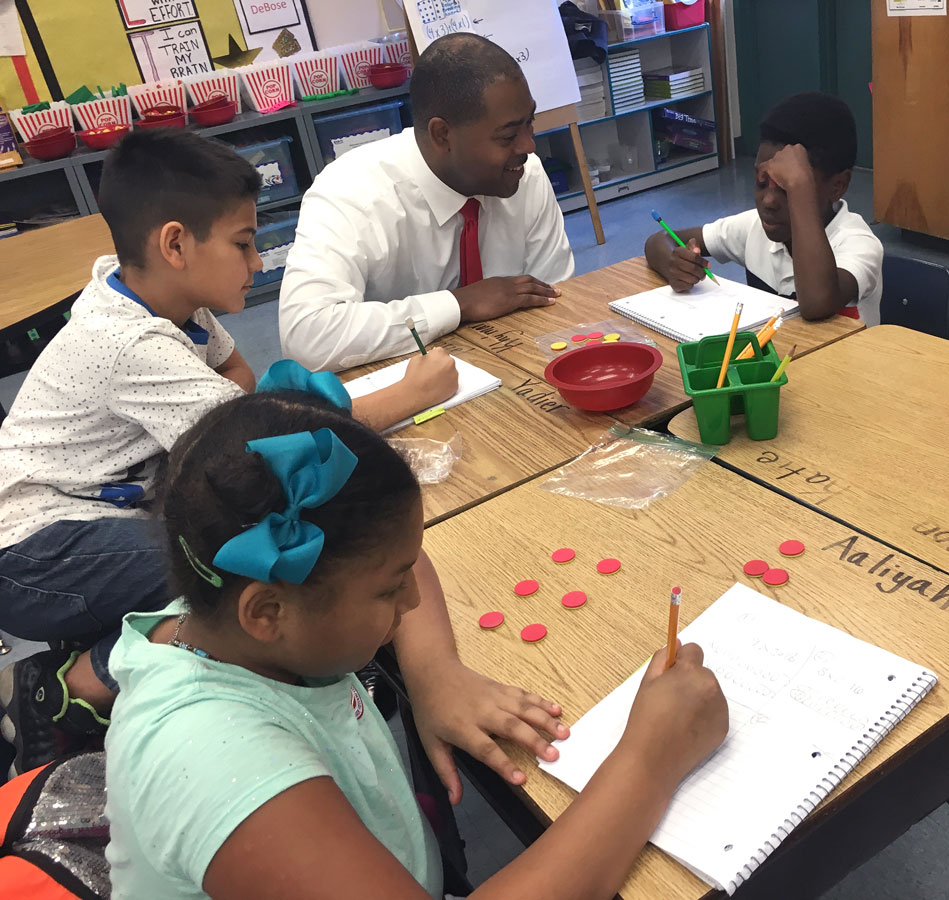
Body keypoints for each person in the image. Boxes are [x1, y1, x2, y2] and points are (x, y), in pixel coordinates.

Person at [104, 385, 729, 899]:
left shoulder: (229, 607)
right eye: (388, 592)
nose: (410, 603)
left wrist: (435, 671)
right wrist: (649, 760)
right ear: (269, 611)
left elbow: (398, 559)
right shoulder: (216, 762)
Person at [0, 129, 456, 779]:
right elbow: (257, 441)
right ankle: (61, 688)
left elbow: (238, 375)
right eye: (244, 244)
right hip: (31, 546)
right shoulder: (131, 342)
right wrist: (411, 392)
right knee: (216, 577)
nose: (258, 262)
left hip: (98, 511)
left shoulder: (169, 301)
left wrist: (239, 408)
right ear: (176, 244)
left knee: (248, 540)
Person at [279, 33, 575, 373]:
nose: (528, 146)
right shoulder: (352, 193)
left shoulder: (526, 175)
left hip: (509, 369)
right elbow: (307, 336)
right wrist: (458, 304)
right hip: (399, 386)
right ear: (442, 135)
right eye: (508, 136)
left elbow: (556, 298)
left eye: (530, 123)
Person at [644, 92, 882, 321]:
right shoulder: (753, 228)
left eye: (787, 189)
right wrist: (675, 265)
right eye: (761, 182)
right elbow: (659, 240)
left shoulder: (859, 244)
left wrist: (800, 187)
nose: (768, 201)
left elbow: (817, 303)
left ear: (837, 186)